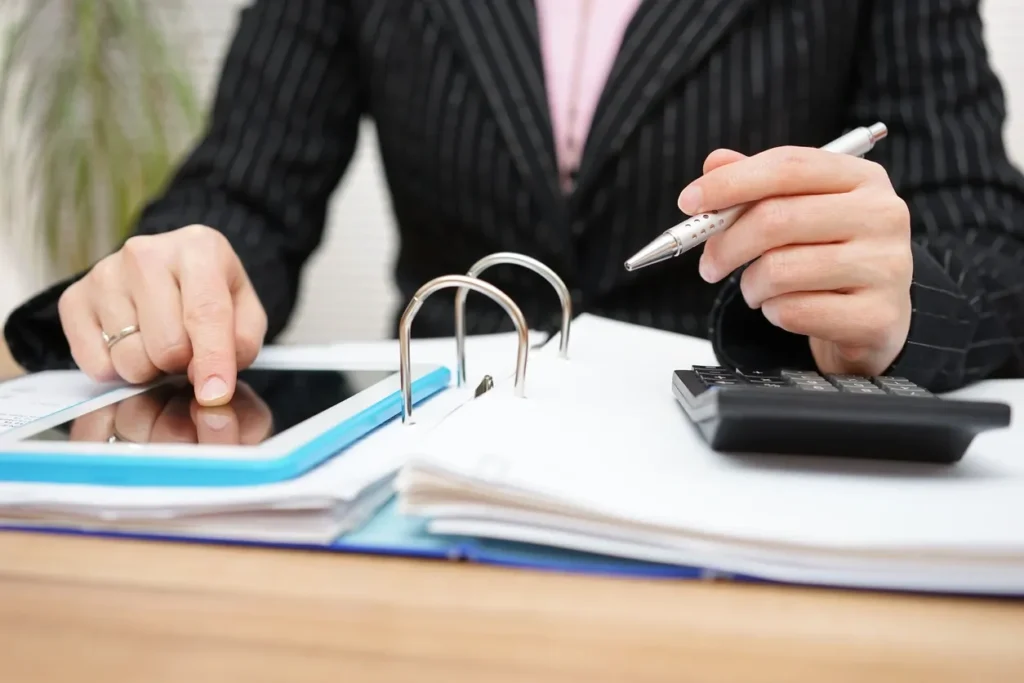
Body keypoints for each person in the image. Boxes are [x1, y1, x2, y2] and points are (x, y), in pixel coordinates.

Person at [4, 0, 1024, 409]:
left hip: (745, 495)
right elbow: (240, 195)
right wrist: (174, 276)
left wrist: (906, 302)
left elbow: (990, 238)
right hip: (438, 485)